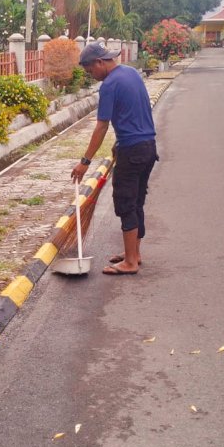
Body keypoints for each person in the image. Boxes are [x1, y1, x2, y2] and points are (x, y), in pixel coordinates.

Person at [71, 43, 158, 276]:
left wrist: (85, 162)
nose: (92, 76)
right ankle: (134, 254)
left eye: (91, 71)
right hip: (148, 146)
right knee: (137, 200)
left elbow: (101, 126)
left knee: (125, 202)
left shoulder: (109, 85)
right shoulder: (130, 73)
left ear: (100, 62)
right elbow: (136, 111)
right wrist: (121, 141)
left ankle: (130, 263)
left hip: (132, 150)